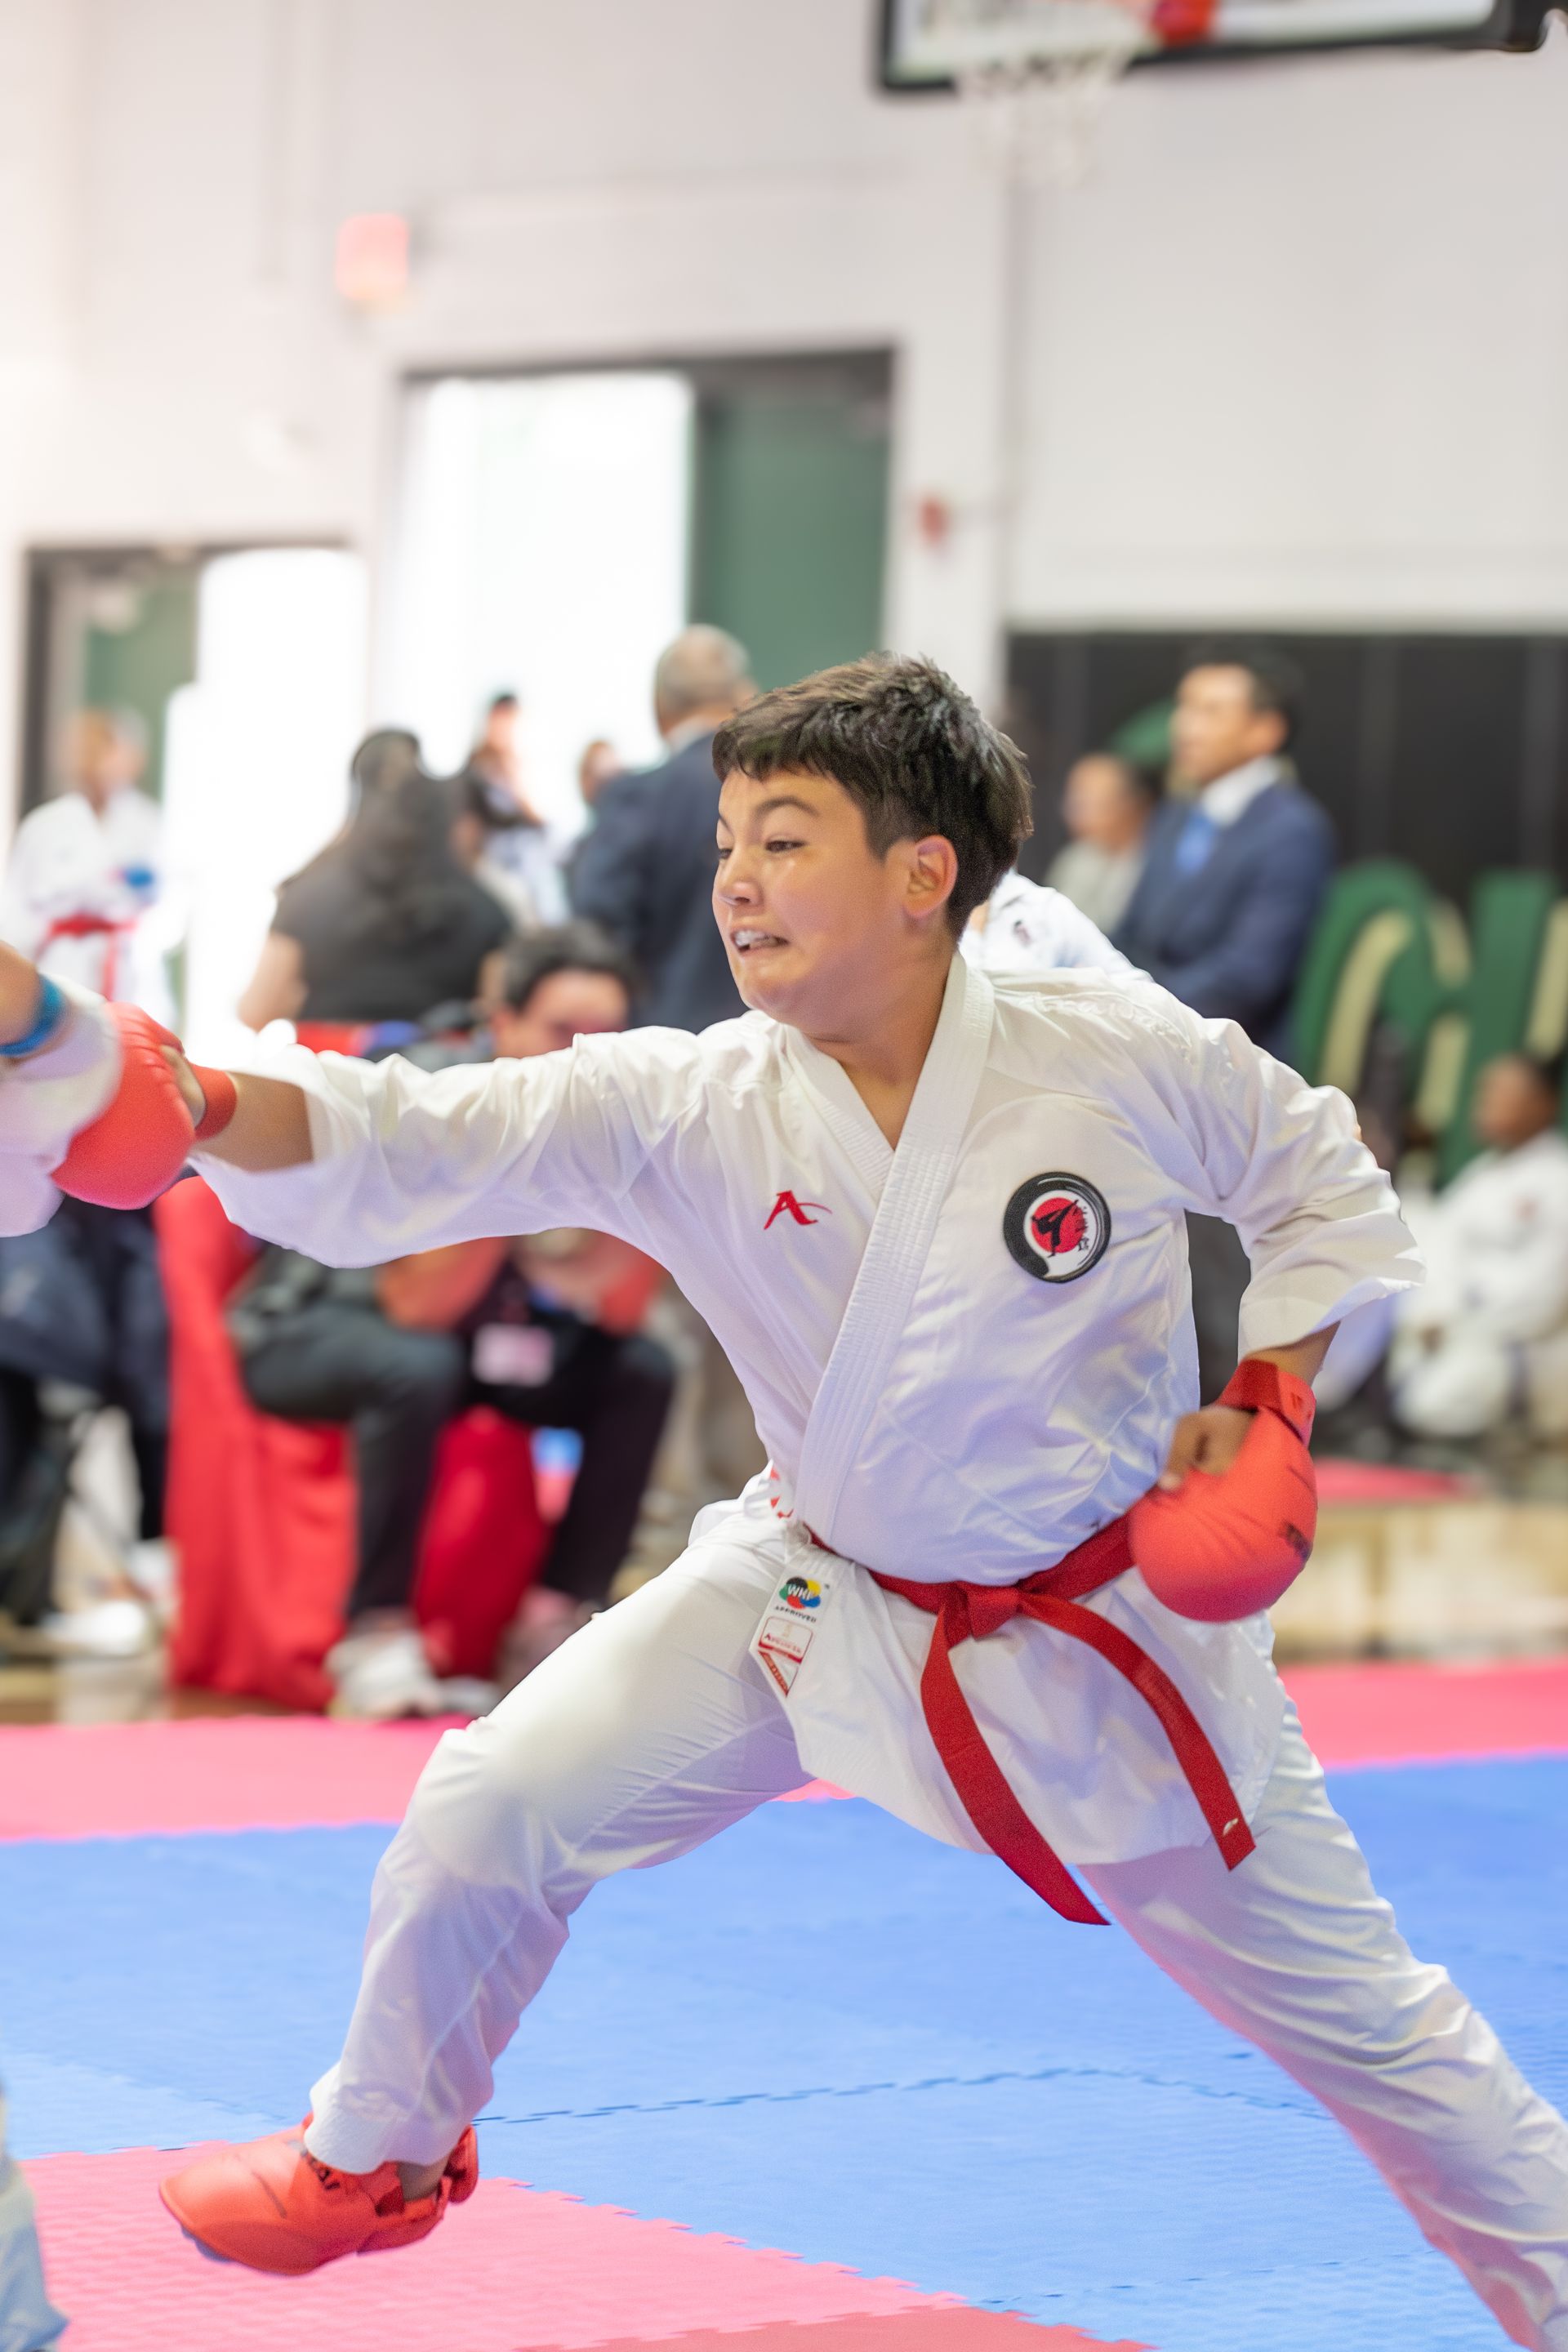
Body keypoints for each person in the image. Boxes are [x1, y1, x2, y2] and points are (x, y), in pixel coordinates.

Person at [7, 659, 1568, 2348]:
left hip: (1100, 1633)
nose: (734, 878)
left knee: (1381, 2041)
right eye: (731, 839)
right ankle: (370, 2152)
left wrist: (1268, 1403)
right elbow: (440, 1129)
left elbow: (1318, 1176)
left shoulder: (1107, 1052)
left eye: (788, 838)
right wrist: (203, 1101)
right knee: (488, 1803)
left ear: (924, 875)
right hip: (815, 1591)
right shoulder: (702, 1097)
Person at [225, 924, 675, 1718]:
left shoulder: (608, 1114)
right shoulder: (439, 1093)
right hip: (315, 1324)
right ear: (502, 1023)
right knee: (416, 1362)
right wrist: (514, 1160)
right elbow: (417, 1304)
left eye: (610, 1039)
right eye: (565, 1033)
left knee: (641, 1368)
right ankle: (374, 1633)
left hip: (469, 1325)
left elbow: (615, 1304)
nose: (587, 1058)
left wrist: (646, 1188)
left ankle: (553, 1623)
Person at [1112, 646, 1334, 1059]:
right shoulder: (1176, 813)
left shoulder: (1292, 830)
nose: (1184, 727)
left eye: (1210, 712)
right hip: (1149, 1045)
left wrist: (1129, 1010)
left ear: (1265, 730)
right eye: (1184, 707)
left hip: (1236, 1069)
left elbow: (1246, 979)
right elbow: (1132, 932)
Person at [236, 731, 511, 1033]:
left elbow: (257, 1011)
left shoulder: (307, 897)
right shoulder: (485, 909)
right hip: (436, 1075)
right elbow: (499, 1023)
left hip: (328, 1076)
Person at [570, 624, 755, 1033]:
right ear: (745, 696)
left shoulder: (636, 797)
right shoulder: (783, 792)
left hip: (664, 1046)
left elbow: (598, 928)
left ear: (658, 707)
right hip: (772, 1038)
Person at [1387, 1051, 1568, 1441]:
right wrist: (1436, 1314)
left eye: (1505, 1093)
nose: (1487, 1102)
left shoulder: (1559, 1179)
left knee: (1435, 1405)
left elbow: (1547, 1297)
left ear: (1542, 1104)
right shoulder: (1481, 1175)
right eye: (1486, 1091)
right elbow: (1436, 1254)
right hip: (1456, 1334)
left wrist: (1458, 1323)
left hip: (1521, 1346)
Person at [0, 708, 176, 1025]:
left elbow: (172, 910)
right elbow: (16, 909)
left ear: (130, 756)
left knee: (138, 1057)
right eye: (81, 749)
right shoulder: (44, 824)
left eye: (102, 748)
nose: (91, 761)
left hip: (130, 970)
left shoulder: (151, 825)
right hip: (59, 968)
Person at [454, 693, 567, 930]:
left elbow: (540, 824)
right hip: (492, 869)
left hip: (528, 869)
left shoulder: (519, 770)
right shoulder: (474, 771)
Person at [1044, 752, 1154, 937]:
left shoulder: (1158, 863)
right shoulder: (1077, 855)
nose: (1072, 814)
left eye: (1087, 803)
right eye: (1072, 802)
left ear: (1130, 805)